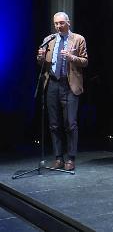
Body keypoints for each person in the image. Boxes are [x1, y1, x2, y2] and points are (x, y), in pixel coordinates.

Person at [36, 12, 88, 171]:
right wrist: (40, 58)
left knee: (70, 124)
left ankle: (71, 159)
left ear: (68, 23)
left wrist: (72, 57)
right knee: (53, 124)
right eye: (56, 23)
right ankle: (58, 158)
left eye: (61, 23)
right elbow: (42, 64)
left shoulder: (78, 39)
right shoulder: (48, 40)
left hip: (69, 84)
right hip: (52, 83)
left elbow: (85, 61)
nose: (58, 26)